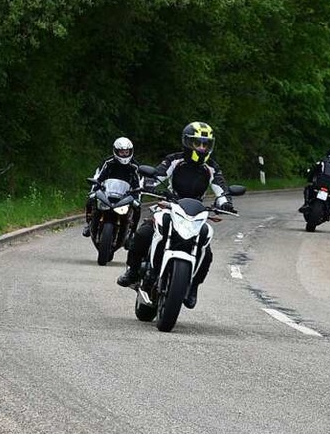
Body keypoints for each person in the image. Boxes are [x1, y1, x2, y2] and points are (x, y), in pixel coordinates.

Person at [116, 121, 236, 309]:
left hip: (196, 212)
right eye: (198, 143)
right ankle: (133, 271)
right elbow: (158, 175)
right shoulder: (174, 160)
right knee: (144, 233)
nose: (202, 148)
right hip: (170, 206)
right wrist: (150, 184)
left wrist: (225, 203)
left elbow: (221, 189)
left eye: (206, 144)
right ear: (188, 142)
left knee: (206, 248)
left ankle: (193, 286)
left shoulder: (211, 167)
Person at [82, 137, 142, 237]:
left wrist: (137, 197)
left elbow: (139, 184)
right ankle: (89, 224)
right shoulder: (108, 162)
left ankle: (132, 233)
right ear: (116, 151)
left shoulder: (135, 166)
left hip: (126, 195)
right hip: (108, 191)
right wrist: (94, 190)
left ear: (131, 151)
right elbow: (98, 176)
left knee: (137, 208)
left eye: (126, 152)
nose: (124, 155)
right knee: (91, 199)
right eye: (122, 152)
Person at [299, 147, 330, 216]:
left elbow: (312, 171)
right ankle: (328, 212)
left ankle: (306, 204)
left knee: (308, 188)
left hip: (319, 184)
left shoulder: (322, 161)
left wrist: (310, 180)